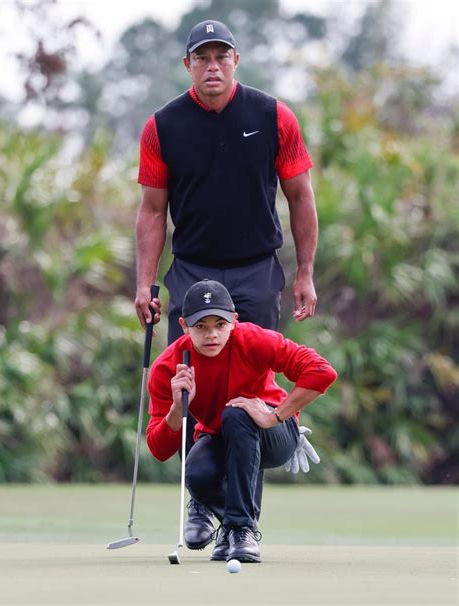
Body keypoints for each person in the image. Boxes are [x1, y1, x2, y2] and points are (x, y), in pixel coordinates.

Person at [135, 19, 318, 551]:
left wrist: (304, 272)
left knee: (247, 395)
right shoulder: (163, 125)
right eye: (202, 57)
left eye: (222, 55)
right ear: (188, 64)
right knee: (188, 384)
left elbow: (301, 196)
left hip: (256, 270)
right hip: (192, 267)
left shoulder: (273, 116)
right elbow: (151, 210)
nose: (212, 65)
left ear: (236, 60)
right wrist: (145, 283)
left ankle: (241, 527)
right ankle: (202, 497)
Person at [146, 279, 337, 563]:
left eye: (219, 325)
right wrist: (177, 408)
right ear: (184, 325)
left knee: (237, 414)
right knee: (196, 473)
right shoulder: (169, 366)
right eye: (201, 326)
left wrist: (276, 415)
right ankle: (231, 528)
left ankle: (240, 529)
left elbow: (322, 372)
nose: (212, 335)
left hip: (275, 434)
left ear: (234, 321)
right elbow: (159, 449)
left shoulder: (253, 339)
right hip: (221, 436)